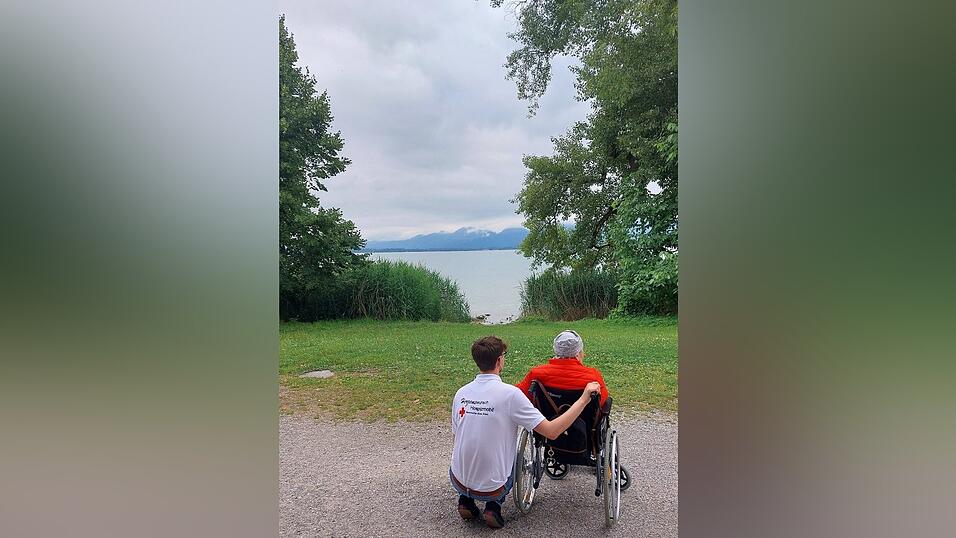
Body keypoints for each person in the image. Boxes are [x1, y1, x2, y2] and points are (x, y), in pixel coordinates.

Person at [450, 335, 600, 529]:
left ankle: (466, 500)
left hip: (458, 477)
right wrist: (584, 398)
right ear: (499, 360)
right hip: (493, 486)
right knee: (514, 459)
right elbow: (552, 432)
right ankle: (493, 506)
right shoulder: (510, 395)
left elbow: (457, 432)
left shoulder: (461, 393)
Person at [515, 330, 610, 407]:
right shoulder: (592, 376)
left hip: (546, 423)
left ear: (556, 350)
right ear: (578, 353)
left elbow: (519, 394)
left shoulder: (537, 373)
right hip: (582, 426)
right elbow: (601, 401)